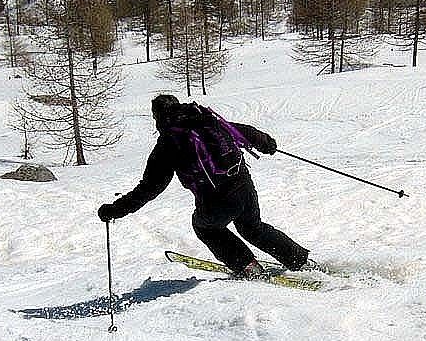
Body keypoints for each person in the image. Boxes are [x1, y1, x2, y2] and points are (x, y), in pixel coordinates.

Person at [97, 94, 309, 278]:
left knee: (204, 227)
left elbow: (149, 188)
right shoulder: (206, 119)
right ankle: (300, 260)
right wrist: (267, 144)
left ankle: (247, 266)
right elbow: (244, 131)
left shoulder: (168, 144)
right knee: (253, 228)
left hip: (215, 199)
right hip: (243, 184)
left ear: (158, 117)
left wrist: (115, 210)